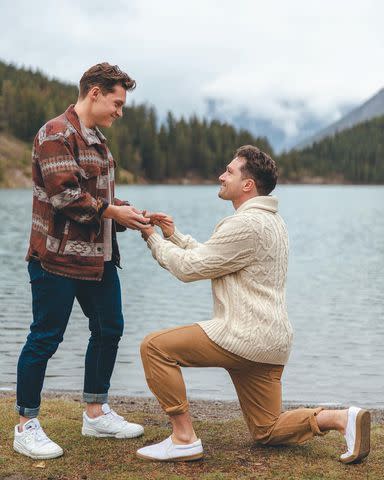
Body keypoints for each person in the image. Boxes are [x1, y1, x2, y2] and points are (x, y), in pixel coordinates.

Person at [137, 145, 371, 464]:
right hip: (269, 343)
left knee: (155, 347)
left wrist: (152, 238)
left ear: (248, 184)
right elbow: (217, 258)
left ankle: (183, 438)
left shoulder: (245, 224)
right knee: (267, 430)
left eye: (229, 171)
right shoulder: (271, 221)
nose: (221, 175)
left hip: (242, 338)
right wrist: (174, 236)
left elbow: (190, 268)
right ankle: (342, 418)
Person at [14, 63, 154, 460]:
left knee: (110, 328)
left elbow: (100, 196)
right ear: (94, 92)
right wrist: (113, 213)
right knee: (46, 337)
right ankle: (25, 426)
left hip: (98, 259)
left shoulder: (97, 139)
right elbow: (67, 197)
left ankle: (95, 413)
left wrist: (132, 213)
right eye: (117, 102)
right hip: (54, 259)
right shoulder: (55, 133)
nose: (119, 111)